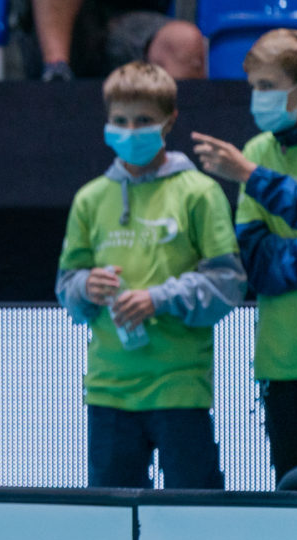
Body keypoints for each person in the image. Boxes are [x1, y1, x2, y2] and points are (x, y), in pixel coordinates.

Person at [56, 61, 246, 489]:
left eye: (143, 120)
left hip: (179, 388)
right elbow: (66, 289)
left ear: (169, 121)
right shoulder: (90, 198)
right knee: (110, 529)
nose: (130, 130)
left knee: (195, 522)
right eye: (120, 120)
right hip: (108, 390)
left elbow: (228, 283)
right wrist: (86, 285)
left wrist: (157, 298)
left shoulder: (199, 192)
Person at [190, 29, 297, 486]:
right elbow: (257, 262)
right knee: (293, 505)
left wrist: (252, 177)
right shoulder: (256, 151)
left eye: (267, 87)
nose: (257, 99)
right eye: (253, 87)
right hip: (282, 365)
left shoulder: (248, 164)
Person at [27, 0, 205, 81]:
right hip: (59, 27)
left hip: (130, 19)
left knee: (183, 42)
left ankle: (175, 151)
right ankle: (56, 75)